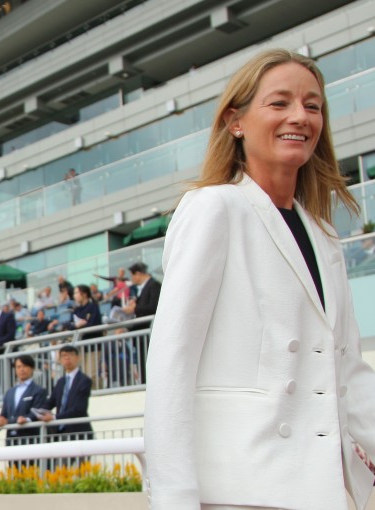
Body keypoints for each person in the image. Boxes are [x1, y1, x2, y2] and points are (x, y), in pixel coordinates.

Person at [144, 49, 375, 510]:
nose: (300, 116)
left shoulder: (324, 234)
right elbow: (172, 360)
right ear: (236, 121)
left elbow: (347, 366)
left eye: (313, 105)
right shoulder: (215, 207)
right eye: (280, 102)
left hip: (324, 487)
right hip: (240, 488)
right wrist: (173, 496)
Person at [39, 345, 93, 465]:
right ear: (60, 360)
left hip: (79, 433)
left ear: (77, 358)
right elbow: (50, 402)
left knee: (81, 472)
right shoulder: (60, 382)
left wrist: (54, 417)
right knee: (61, 472)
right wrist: (38, 412)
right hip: (61, 433)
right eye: (63, 356)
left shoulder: (84, 380)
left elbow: (79, 409)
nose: (67, 358)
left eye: (70, 355)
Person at [0, 355, 48, 466]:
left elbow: (35, 414)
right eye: (18, 367)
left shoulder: (39, 391)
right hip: (11, 441)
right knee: (14, 474)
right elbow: (4, 414)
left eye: (24, 366)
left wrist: (9, 422)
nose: (21, 369)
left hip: (29, 440)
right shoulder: (10, 392)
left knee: (30, 474)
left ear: (32, 368)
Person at [121, 261, 160, 383]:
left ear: (137, 274)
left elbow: (154, 307)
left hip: (149, 335)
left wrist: (135, 308)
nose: (132, 279)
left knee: (148, 366)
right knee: (143, 366)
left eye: (132, 276)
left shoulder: (154, 285)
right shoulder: (145, 288)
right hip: (143, 336)